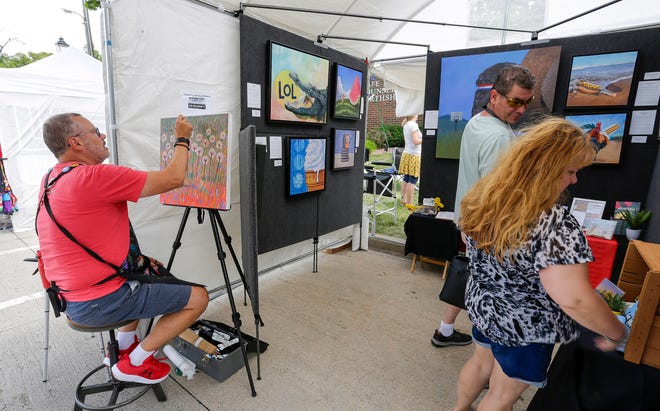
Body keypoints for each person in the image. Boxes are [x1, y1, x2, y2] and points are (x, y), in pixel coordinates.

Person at [452, 117, 628, 411]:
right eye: (570, 171)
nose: (574, 179)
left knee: (480, 364)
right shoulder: (552, 223)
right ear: (546, 169)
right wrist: (617, 333)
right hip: (526, 327)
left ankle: (458, 409)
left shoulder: (484, 198)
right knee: (501, 395)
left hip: (486, 306)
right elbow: (575, 300)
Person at [37, 113, 209, 384]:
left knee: (145, 273)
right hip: (100, 301)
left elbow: (89, 237)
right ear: (76, 143)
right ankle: (135, 362)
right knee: (198, 298)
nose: (102, 135)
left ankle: (123, 345)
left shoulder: (51, 179)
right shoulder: (94, 177)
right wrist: (183, 138)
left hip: (71, 299)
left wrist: (136, 260)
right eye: (95, 131)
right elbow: (174, 178)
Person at [432, 64, 536, 348]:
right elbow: (496, 198)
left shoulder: (478, 121)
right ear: (494, 97)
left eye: (527, 102)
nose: (522, 109)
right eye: (515, 101)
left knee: (471, 275)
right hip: (489, 229)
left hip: (471, 223)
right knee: (491, 293)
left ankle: (445, 330)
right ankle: (486, 358)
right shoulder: (500, 136)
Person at [399, 114, 422, 205]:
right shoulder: (414, 125)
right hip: (414, 156)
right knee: (412, 180)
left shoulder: (406, 124)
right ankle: (409, 203)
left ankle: (403, 200)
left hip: (407, 154)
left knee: (406, 178)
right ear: (414, 114)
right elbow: (416, 141)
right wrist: (427, 139)